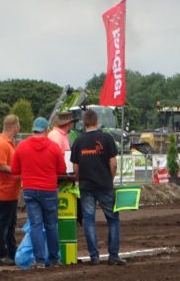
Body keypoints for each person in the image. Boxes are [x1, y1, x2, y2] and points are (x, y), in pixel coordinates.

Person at [70, 109, 126, 265]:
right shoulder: (106, 138)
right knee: (113, 220)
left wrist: (80, 179)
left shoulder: (78, 141)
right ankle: (113, 256)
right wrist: (110, 179)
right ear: (96, 122)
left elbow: (75, 169)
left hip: (86, 186)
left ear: (84, 123)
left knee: (88, 220)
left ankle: (94, 257)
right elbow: (113, 164)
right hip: (104, 185)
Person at [11, 117, 66, 268]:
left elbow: (14, 169)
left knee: (36, 225)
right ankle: (54, 259)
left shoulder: (22, 146)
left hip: (29, 189)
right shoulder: (53, 147)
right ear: (46, 130)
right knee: (51, 225)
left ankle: (39, 260)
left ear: (33, 129)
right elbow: (61, 169)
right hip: (48, 189)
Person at [0, 115, 21, 266]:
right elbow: (1, 166)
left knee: (9, 224)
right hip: (4, 191)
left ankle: (10, 253)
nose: (19, 129)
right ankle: (1, 255)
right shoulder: (2, 144)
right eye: (18, 126)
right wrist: (17, 171)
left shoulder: (7, 143)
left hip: (9, 191)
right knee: (4, 224)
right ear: (14, 126)